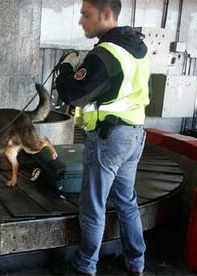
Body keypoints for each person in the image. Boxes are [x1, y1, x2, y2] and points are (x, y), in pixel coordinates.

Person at [54, 0, 149, 275]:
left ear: (106, 14)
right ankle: (136, 262)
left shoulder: (106, 53)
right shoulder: (138, 47)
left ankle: (85, 266)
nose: (81, 21)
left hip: (109, 139)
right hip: (134, 136)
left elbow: (74, 94)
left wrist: (65, 71)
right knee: (127, 201)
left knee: (93, 206)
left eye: (86, 14)